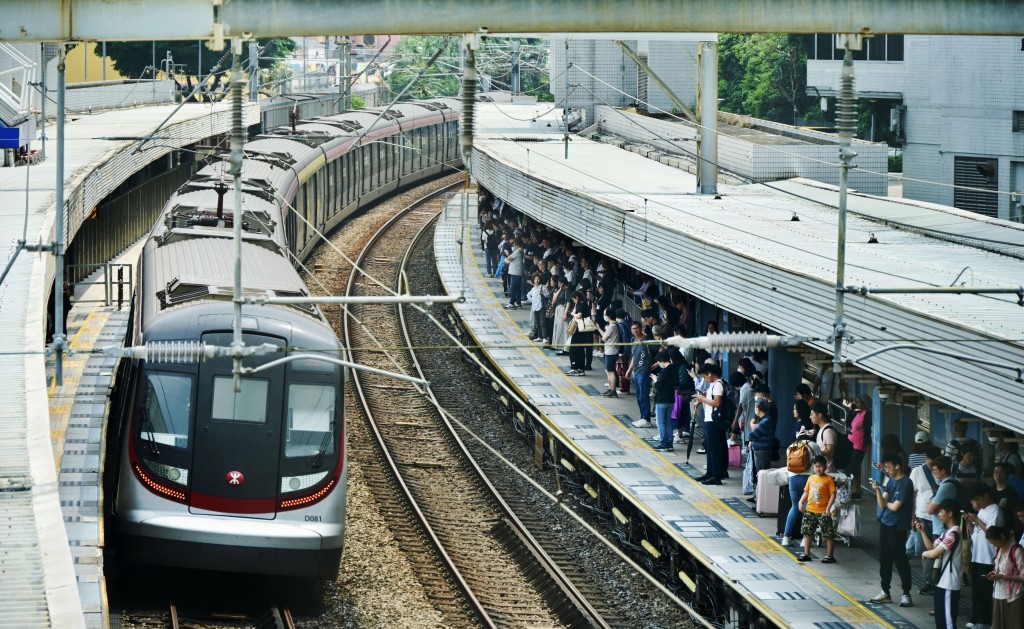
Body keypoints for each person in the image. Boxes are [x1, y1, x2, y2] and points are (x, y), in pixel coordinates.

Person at [870, 453, 915, 607]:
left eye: (889, 467)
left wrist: (888, 501)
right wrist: (877, 490)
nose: (887, 470)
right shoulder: (890, 481)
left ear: (897, 466)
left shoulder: (906, 483)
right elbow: (883, 504)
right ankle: (885, 591)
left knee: (900, 559)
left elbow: (896, 507)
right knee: (884, 559)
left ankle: (906, 593)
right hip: (885, 523)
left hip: (897, 527)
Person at [917, 500, 963, 629]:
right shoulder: (946, 533)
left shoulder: (954, 534)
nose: (939, 515)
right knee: (941, 620)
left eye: (941, 512)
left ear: (950, 513)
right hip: (941, 581)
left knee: (948, 622)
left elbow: (934, 553)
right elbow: (932, 547)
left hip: (949, 583)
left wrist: (925, 554)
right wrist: (922, 531)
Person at [965, 484, 1004, 629]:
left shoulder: (995, 510)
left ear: (986, 496)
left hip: (988, 558)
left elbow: (992, 532)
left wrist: (977, 520)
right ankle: (975, 618)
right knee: (976, 591)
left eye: (977, 499)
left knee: (985, 592)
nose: (976, 503)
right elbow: (974, 534)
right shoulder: (981, 511)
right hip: (977, 556)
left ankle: (984, 621)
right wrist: (971, 522)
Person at [910, 446, 942, 594]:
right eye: (929, 462)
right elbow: (913, 494)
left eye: (934, 463)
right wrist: (912, 516)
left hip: (939, 517)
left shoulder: (941, 473)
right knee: (925, 551)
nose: (931, 466)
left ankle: (936, 580)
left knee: (937, 550)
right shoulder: (917, 472)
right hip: (922, 514)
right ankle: (929, 580)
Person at [782, 437, 822, 548]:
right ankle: (805, 539)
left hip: (793, 479)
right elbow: (821, 460)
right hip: (808, 479)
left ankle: (786, 538)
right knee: (807, 508)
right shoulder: (813, 445)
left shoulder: (791, 446)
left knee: (794, 507)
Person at [798, 455, 838, 563]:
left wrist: (828, 508)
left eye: (820, 466)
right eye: (816, 466)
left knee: (828, 533)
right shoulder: (810, 478)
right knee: (807, 532)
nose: (818, 469)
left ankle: (830, 555)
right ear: (813, 467)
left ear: (825, 467)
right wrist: (801, 502)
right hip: (810, 510)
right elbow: (806, 492)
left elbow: (833, 495)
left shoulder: (829, 479)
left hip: (824, 511)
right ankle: (806, 554)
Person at [694, 363, 728, 486]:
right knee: (710, 447)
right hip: (710, 420)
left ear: (710, 374)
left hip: (714, 421)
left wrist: (703, 400)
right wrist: (702, 398)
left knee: (715, 449)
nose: (704, 379)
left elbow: (717, 403)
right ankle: (710, 472)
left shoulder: (718, 385)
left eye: (704, 376)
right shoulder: (713, 385)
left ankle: (716, 475)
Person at [985, 525, 1024, 629]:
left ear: (1002, 537)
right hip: (998, 593)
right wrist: (993, 573)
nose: (994, 545)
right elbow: (999, 568)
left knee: (1013, 623)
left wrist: (1004, 577)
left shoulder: (1016, 551)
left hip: (1013, 595)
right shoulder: (998, 549)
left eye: (995, 542)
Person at [627, 323, 654, 428]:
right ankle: (643, 417)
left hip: (644, 372)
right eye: (633, 329)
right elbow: (634, 356)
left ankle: (646, 419)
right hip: (637, 372)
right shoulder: (633, 340)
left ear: (641, 329)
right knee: (639, 396)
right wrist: (629, 369)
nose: (635, 330)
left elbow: (660, 350)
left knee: (643, 395)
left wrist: (656, 364)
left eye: (637, 328)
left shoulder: (647, 340)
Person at [651, 351, 678, 452]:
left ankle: (663, 443)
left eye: (659, 362)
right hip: (671, 400)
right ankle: (669, 443)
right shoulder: (674, 369)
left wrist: (655, 379)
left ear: (662, 361)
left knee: (661, 423)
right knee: (668, 422)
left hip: (662, 400)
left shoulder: (665, 371)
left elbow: (658, 385)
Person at [845, 395, 871, 498]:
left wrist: (864, 423)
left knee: (853, 467)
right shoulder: (856, 413)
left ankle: (855, 491)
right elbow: (848, 423)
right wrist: (851, 409)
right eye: (856, 402)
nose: (857, 404)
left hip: (859, 446)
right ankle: (857, 491)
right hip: (851, 445)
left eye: (859, 402)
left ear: (864, 404)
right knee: (854, 468)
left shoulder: (867, 413)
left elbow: (870, 421)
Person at [748, 398, 777, 476]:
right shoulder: (764, 419)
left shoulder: (765, 421)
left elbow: (752, 435)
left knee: (761, 474)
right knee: (761, 473)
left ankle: (761, 488)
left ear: (758, 409)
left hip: (762, 451)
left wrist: (753, 429)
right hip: (761, 450)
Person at [596, 307, 620, 397]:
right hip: (611, 350)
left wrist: (599, 329)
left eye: (605, 315)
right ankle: (610, 388)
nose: (604, 317)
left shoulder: (612, 326)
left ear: (609, 316)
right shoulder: (614, 325)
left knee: (611, 371)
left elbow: (604, 338)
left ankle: (613, 390)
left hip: (611, 351)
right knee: (609, 370)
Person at [566, 291, 591, 376]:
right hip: (581, 330)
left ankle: (575, 367)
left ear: (576, 297)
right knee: (579, 349)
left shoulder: (582, 305)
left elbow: (579, 315)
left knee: (574, 349)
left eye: (573, 299)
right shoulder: (582, 304)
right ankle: (580, 368)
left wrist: (572, 313)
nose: (573, 301)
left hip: (580, 330)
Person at [810, 402, 837, 473]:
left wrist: (814, 452)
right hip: (822, 470)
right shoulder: (822, 429)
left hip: (827, 470)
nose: (810, 417)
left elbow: (830, 452)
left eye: (812, 414)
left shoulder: (828, 431)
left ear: (819, 415)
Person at [993, 462, 1021, 526]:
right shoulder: (991, 490)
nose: (998, 475)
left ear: (1007, 475)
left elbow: (1016, 513)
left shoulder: (1012, 492)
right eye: (996, 472)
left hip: (1007, 526)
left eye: (1001, 472)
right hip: (992, 525)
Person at [505, 238, 525, 309]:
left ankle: (512, 303)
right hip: (519, 272)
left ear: (516, 244)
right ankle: (518, 302)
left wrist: (507, 258)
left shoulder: (517, 252)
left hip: (515, 272)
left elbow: (509, 258)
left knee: (513, 288)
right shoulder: (521, 250)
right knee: (517, 288)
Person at [526, 275, 547, 342]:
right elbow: (528, 295)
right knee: (537, 322)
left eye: (538, 279)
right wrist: (532, 300)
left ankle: (544, 337)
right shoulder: (533, 288)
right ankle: (539, 336)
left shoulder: (543, 287)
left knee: (542, 322)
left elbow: (547, 295)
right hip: (535, 307)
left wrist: (543, 294)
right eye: (535, 279)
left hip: (541, 307)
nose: (536, 280)